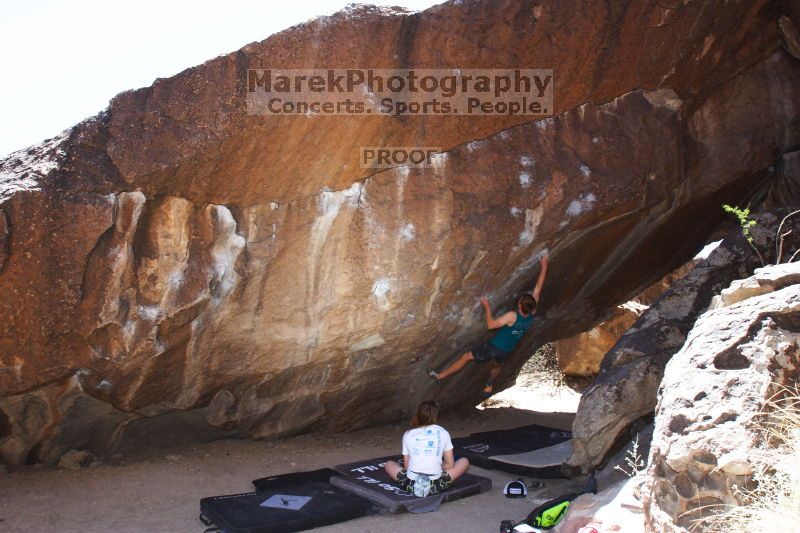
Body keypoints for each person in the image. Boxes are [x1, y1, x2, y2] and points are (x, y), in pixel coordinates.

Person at [428, 253, 549, 397]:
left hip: (493, 347)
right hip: (507, 351)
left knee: (466, 356)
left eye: (520, 300)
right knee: (498, 365)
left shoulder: (512, 316)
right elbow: (538, 288)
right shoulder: (531, 312)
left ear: (520, 305)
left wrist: (486, 306)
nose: (519, 300)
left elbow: (491, 325)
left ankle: (440, 376)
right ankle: (489, 384)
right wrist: (544, 266)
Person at [384, 400, 470, 496]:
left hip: (411, 483)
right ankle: (429, 484)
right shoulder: (443, 432)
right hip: (436, 484)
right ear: (436, 416)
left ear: (418, 414)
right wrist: (437, 466)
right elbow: (450, 465)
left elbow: (407, 467)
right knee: (464, 461)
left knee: (389, 464)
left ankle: (419, 485)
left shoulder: (408, 434)